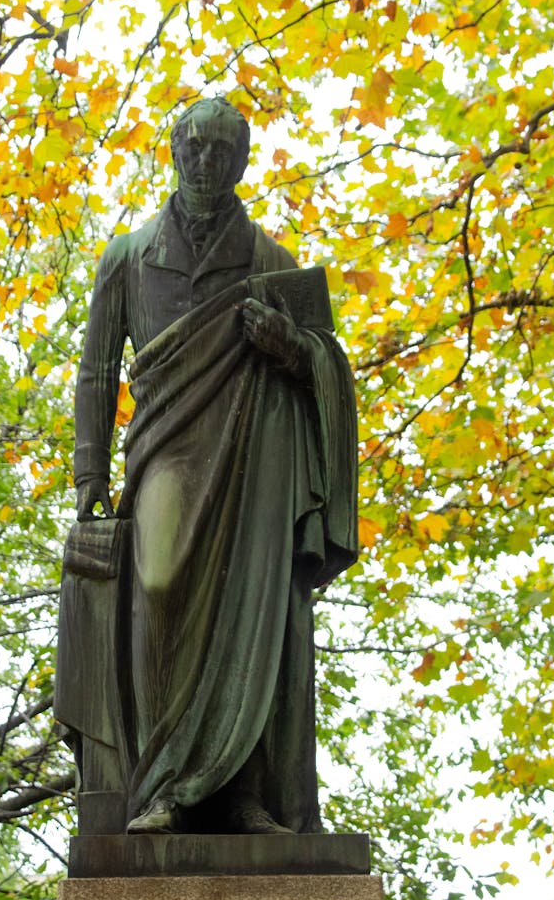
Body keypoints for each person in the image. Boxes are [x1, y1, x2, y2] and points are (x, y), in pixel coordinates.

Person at [62, 97, 357, 835]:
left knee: (254, 614)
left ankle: (240, 794)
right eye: (194, 146)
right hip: (166, 450)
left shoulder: (270, 259)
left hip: (254, 461)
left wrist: (290, 346)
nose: (206, 161)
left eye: (222, 150)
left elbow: (328, 366)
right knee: (158, 585)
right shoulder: (128, 256)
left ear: (242, 160)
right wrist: (88, 474)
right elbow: (97, 371)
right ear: (173, 150)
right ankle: (162, 784)